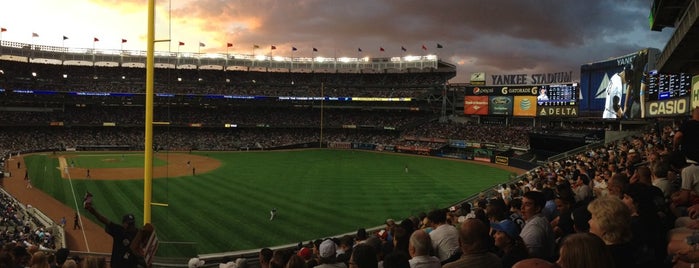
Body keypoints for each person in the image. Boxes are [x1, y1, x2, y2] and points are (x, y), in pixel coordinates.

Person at [85, 202, 140, 268]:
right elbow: (105, 221)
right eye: (129, 224)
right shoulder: (120, 230)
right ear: (124, 224)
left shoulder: (139, 234)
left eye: (132, 223)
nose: (131, 226)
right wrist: (93, 211)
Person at [587, 196, 633, 268]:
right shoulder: (628, 247)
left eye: (593, 218)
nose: (589, 222)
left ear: (606, 224)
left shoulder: (602, 258)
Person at [519, 191, 555, 261]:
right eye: (522, 204)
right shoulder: (538, 220)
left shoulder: (533, 230)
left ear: (537, 209)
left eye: (527, 205)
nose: (522, 208)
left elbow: (532, 260)